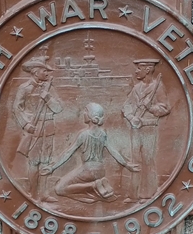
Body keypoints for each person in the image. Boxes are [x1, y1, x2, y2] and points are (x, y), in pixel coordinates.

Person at [44, 103, 137, 204]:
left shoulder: (84, 135)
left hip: (87, 170)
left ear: (92, 117)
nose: (83, 113)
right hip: (100, 171)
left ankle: (93, 186)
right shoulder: (103, 135)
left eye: (86, 111)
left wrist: (52, 167)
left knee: (59, 189)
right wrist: (127, 165)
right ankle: (97, 191)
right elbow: (113, 151)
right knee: (69, 186)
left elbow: (68, 152)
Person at [13, 55, 63, 196]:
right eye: (44, 71)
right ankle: (33, 193)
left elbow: (59, 108)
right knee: (34, 162)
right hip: (34, 129)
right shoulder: (25, 88)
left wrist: (46, 96)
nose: (47, 73)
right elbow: (17, 108)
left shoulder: (49, 89)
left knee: (46, 162)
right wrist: (26, 124)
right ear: (35, 72)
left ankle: (44, 194)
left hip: (48, 128)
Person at [121, 58, 170, 200]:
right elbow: (126, 106)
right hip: (135, 128)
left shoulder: (158, 87)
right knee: (135, 160)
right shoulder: (136, 88)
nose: (136, 71)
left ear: (147, 69)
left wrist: (150, 107)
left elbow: (165, 108)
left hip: (149, 128)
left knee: (148, 160)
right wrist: (131, 118)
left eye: (139, 68)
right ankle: (133, 194)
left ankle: (148, 195)